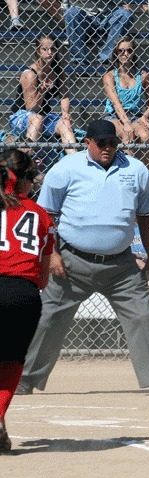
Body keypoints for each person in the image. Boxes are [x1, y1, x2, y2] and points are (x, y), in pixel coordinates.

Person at [16, 119, 149, 397]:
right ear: (87, 142)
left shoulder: (136, 170)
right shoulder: (65, 169)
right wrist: (52, 253)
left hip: (121, 264)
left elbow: (147, 217)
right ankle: (25, 379)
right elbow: (46, 216)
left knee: (143, 315)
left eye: (112, 143)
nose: (107, 148)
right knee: (49, 318)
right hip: (71, 261)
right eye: (101, 143)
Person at [0, 150, 55, 453]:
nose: (33, 183)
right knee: (11, 361)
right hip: (23, 293)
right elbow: (44, 279)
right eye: (31, 177)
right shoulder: (40, 214)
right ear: (21, 182)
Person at [9, 34, 78, 158]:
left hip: (44, 116)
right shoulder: (30, 73)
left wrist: (65, 113)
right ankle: (27, 159)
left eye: (52, 49)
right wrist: (41, 93)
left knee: (65, 124)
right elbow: (31, 108)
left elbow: (64, 95)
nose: (49, 52)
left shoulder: (57, 71)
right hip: (22, 116)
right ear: (38, 51)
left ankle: (74, 160)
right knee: (37, 119)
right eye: (45, 49)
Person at [103, 36, 149, 164]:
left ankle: (147, 171)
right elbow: (115, 103)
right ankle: (127, 170)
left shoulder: (143, 76)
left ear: (134, 52)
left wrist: (145, 116)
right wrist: (126, 123)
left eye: (129, 50)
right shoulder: (110, 76)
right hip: (114, 116)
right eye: (121, 51)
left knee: (146, 137)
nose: (125, 54)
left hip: (135, 116)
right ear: (116, 53)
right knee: (127, 135)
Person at [64, 1, 134, 67]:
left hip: (108, 15)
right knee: (71, 13)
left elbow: (124, 5)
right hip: (83, 16)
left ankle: (105, 60)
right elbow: (65, 6)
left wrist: (123, 3)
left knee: (126, 14)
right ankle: (80, 62)